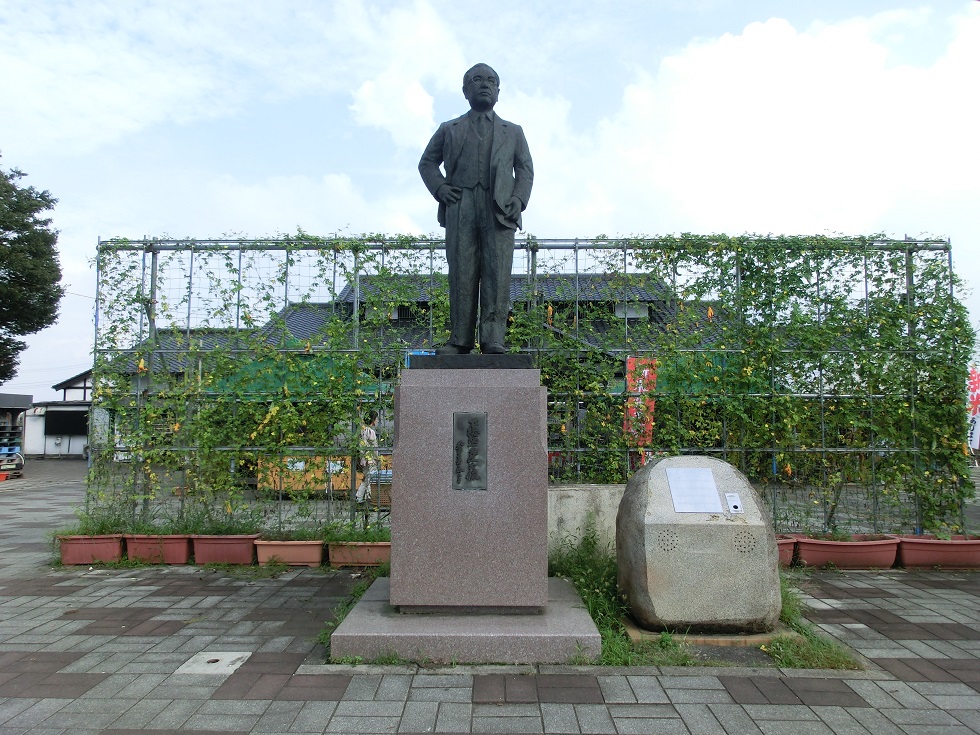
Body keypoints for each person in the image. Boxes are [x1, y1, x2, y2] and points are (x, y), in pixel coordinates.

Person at [419, 63, 534, 355]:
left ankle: (494, 338)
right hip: (461, 205)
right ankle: (460, 339)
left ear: (498, 90)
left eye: (491, 81)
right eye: (477, 80)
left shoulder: (514, 132)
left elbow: (525, 170)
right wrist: (440, 188)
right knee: (461, 271)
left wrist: (518, 200)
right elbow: (427, 162)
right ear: (465, 90)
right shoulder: (449, 129)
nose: (485, 85)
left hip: (500, 209)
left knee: (497, 273)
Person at [355, 410, 379, 504]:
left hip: (364, 459)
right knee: (371, 479)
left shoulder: (362, 430)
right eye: (376, 419)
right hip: (370, 459)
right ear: (373, 420)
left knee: (366, 478)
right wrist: (376, 458)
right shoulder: (370, 432)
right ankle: (369, 497)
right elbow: (374, 447)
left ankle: (359, 497)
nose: (377, 421)